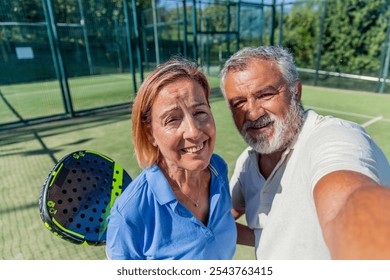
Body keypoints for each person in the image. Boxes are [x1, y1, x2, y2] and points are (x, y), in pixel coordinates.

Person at [220, 45, 390, 260]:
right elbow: (223, 219)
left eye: (265, 95)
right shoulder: (247, 161)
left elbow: (348, 204)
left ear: (296, 92)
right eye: (239, 103)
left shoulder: (336, 137)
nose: (253, 113)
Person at [106, 57, 237, 260]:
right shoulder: (129, 214)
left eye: (200, 112)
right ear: (150, 133)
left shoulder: (217, 168)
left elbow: (217, 230)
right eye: (173, 119)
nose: (193, 131)